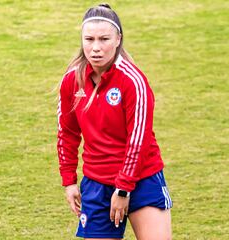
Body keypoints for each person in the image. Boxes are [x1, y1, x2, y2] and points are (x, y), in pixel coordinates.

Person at [57, 3, 173, 240]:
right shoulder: (71, 81)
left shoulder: (133, 81)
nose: (96, 48)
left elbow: (137, 141)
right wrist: (69, 181)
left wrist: (123, 188)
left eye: (104, 39)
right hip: (97, 184)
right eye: (89, 39)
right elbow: (67, 133)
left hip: (142, 179)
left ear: (118, 39)